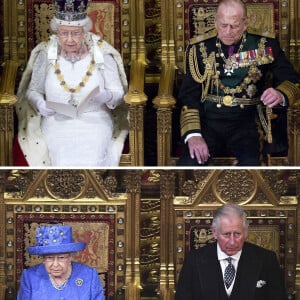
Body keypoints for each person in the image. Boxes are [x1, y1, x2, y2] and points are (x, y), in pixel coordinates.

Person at [177, 0, 300, 166]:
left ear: (245, 23)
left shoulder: (264, 45)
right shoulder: (199, 47)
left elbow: (292, 80)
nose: (228, 31)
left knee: (252, 170)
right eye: (223, 25)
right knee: (188, 167)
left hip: (247, 122)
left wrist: (280, 93)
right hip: (208, 121)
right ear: (215, 21)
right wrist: (193, 135)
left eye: (234, 26)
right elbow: (188, 96)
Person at [15, 0, 128, 166]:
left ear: (84, 32)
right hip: (56, 121)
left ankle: (93, 191)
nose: (69, 40)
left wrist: (106, 96)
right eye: (64, 33)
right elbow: (33, 91)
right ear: (57, 32)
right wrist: (40, 104)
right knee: (61, 156)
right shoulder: (45, 53)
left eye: (75, 33)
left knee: (93, 154)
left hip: (95, 120)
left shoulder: (102, 53)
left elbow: (118, 93)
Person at [175, 203, 288, 300]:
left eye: (237, 234)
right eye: (226, 234)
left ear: (246, 232)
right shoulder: (194, 260)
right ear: (214, 232)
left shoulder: (267, 260)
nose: (232, 242)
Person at [17, 225, 104, 300]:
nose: (55, 264)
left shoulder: (89, 276)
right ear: (43, 259)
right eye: (49, 258)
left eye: (61, 258)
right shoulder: (30, 277)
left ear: (70, 257)